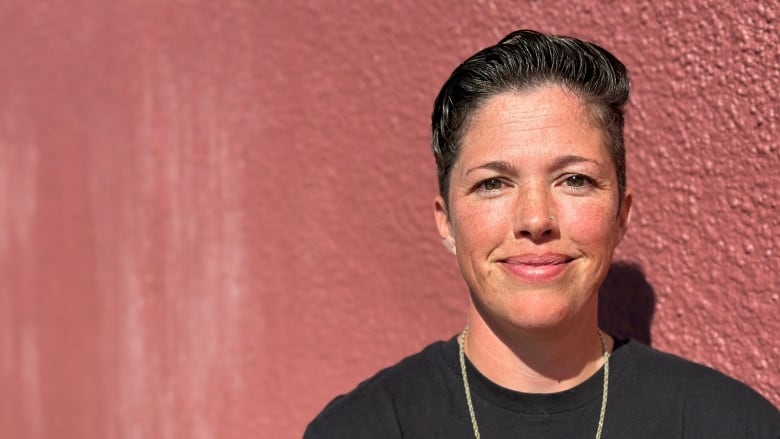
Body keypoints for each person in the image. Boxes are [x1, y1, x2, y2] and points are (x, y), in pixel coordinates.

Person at [304, 30, 779, 438]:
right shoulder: (362, 428)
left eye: (575, 179)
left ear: (621, 215)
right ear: (445, 220)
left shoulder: (730, 425)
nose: (536, 218)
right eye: (493, 183)